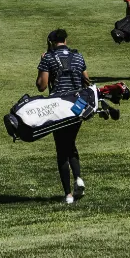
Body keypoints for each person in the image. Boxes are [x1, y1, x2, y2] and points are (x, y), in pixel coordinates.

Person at [36, 29, 91, 204]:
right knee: (71, 144)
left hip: (59, 107)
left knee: (61, 150)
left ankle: (68, 194)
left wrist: (43, 63)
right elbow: (86, 81)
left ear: (51, 42)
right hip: (77, 106)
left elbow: (41, 86)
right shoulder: (78, 57)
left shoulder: (49, 58)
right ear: (66, 40)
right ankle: (78, 178)